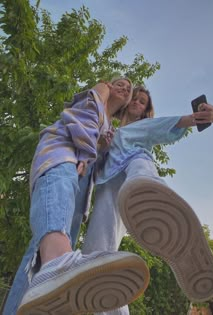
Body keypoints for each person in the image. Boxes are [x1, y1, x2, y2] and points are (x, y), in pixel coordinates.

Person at [3, 79, 151, 315]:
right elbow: (84, 116)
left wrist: (102, 148)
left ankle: (29, 299)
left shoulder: (109, 127)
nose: (124, 88)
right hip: (62, 155)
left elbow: (98, 164)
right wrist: (88, 151)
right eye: (119, 83)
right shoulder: (100, 92)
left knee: (42, 252)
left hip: (79, 183)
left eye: (129, 89)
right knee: (56, 245)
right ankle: (59, 263)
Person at [82, 86, 213, 315]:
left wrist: (212, 114)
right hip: (109, 182)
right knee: (95, 253)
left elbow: (179, 121)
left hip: (134, 166)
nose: (138, 103)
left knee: (140, 168)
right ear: (127, 104)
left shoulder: (144, 126)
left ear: (145, 110)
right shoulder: (109, 129)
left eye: (143, 102)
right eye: (135, 100)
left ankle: (152, 193)